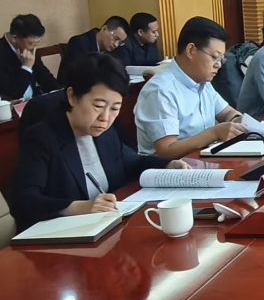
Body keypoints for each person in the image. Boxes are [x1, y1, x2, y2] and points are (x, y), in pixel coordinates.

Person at [10, 53, 188, 232]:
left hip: (108, 227)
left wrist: (167, 165)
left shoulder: (104, 132)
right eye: (98, 106)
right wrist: (79, 207)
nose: (106, 117)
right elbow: (24, 201)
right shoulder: (42, 138)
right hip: (62, 236)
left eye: (115, 108)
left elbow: (131, 162)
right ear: (72, 96)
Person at [134, 17, 246, 158]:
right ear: (191, 50)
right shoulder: (160, 90)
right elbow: (166, 150)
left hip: (203, 161)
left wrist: (237, 121)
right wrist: (214, 133)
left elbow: (226, 112)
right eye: (214, 57)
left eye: (221, 59)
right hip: (171, 168)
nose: (218, 65)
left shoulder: (202, 82)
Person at [1, 14, 61, 101]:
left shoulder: (29, 47)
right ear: (15, 38)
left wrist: (61, 93)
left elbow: (45, 77)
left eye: (38, 42)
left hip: (33, 100)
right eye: (31, 43)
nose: (35, 47)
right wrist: (26, 67)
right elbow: (13, 94)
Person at [59, 16, 129, 84]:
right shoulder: (79, 42)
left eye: (120, 42)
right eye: (115, 38)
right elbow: (75, 76)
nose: (116, 45)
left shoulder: (114, 50)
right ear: (104, 29)